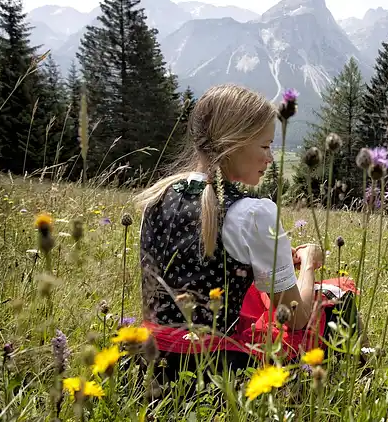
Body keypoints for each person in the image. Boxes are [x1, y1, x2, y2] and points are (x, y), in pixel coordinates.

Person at [133, 84, 364, 385]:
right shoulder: (252, 214)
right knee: (338, 299)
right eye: (265, 146)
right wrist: (307, 265)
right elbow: (295, 317)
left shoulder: (154, 200)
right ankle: (351, 384)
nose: (270, 158)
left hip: (151, 364)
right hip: (219, 372)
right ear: (234, 143)